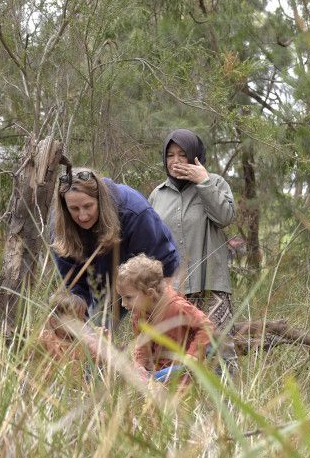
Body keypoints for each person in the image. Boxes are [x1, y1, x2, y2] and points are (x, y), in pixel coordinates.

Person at [148, 128, 239, 372]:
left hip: (211, 284)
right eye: (170, 155)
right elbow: (152, 242)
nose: (175, 161)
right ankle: (182, 406)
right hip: (173, 289)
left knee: (219, 353)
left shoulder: (215, 182)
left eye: (182, 154)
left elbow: (225, 217)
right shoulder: (157, 195)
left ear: (195, 156)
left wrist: (204, 182)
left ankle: (228, 405)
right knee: (176, 354)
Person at [51, 167, 179, 328]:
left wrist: (158, 316)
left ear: (100, 199)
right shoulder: (61, 226)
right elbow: (75, 288)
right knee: (102, 338)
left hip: (149, 281)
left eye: (88, 206)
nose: (82, 216)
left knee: (161, 333)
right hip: (102, 290)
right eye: (74, 209)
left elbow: (164, 267)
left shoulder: (134, 212)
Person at [116, 255, 212, 384]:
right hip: (159, 374)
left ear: (149, 293)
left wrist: (193, 355)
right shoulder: (140, 315)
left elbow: (205, 326)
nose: (123, 303)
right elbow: (142, 344)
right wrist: (140, 365)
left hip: (184, 372)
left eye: (128, 297)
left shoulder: (177, 307)